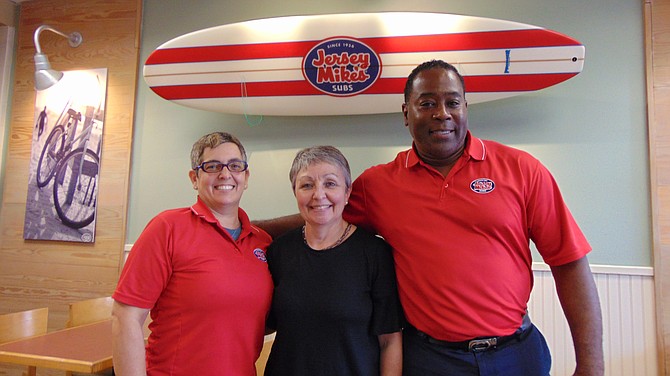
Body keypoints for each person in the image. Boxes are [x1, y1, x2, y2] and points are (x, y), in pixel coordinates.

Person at [257, 60, 604, 376]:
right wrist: (243, 228)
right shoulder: (380, 184)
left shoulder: (522, 170)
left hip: (515, 356)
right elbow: (323, 213)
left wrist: (590, 365)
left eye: (453, 102)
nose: (442, 113)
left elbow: (569, 263)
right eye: (427, 103)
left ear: (466, 108)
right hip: (429, 360)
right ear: (406, 113)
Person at [112, 132, 273, 376]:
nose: (225, 174)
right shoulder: (166, 228)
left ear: (246, 176)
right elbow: (125, 318)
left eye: (235, 166)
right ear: (194, 178)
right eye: (212, 166)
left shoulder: (263, 242)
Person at [264, 146, 404, 376]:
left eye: (330, 184)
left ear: (348, 192)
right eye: (307, 185)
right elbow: (266, 324)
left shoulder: (375, 253)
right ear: (295, 191)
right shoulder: (279, 251)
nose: (319, 195)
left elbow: (389, 341)